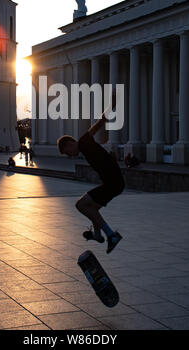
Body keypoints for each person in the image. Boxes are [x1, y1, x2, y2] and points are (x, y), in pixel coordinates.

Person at [57, 92, 125, 254]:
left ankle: (110, 235)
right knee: (92, 207)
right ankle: (97, 235)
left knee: (80, 204)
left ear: (70, 144)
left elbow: (100, 122)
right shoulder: (84, 147)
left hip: (113, 183)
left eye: (67, 152)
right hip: (114, 183)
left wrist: (112, 105)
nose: (70, 155)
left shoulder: (84, 140)